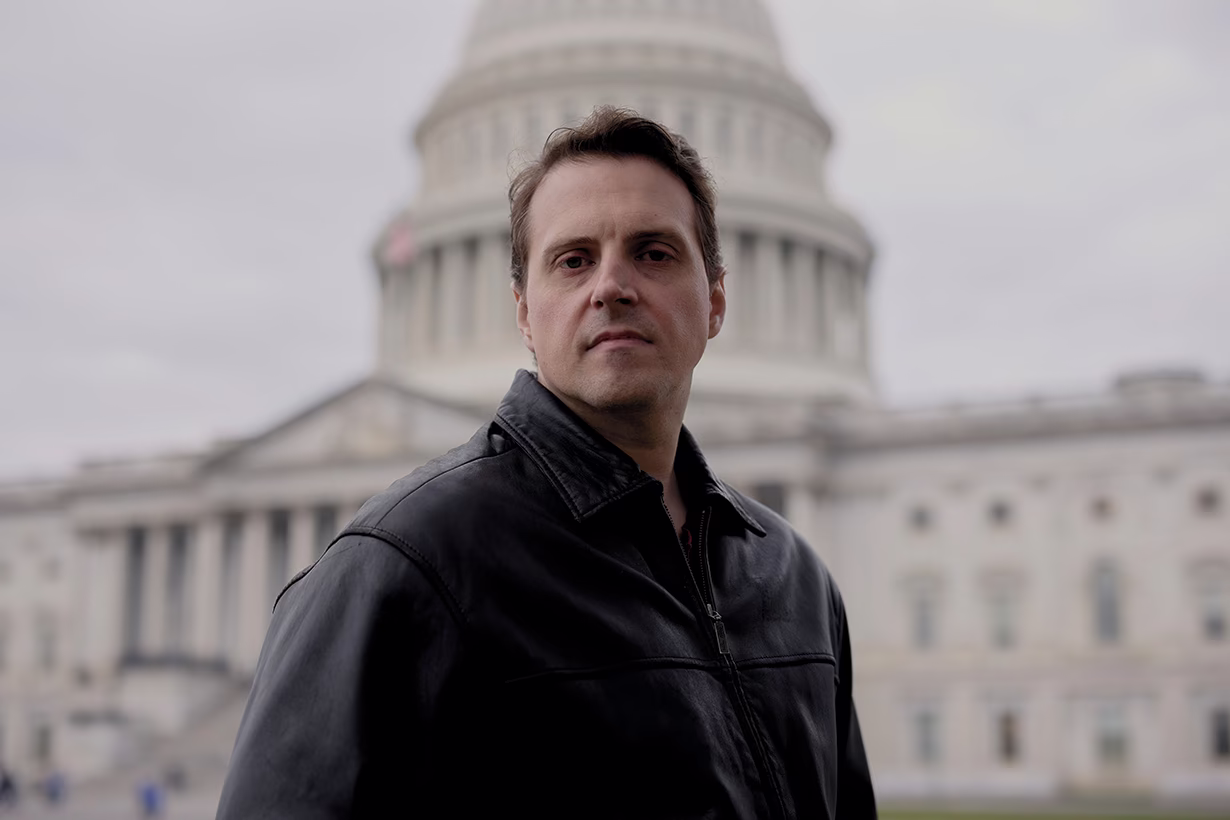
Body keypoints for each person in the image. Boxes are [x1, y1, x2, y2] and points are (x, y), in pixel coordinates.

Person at [217, 107, 876, 819]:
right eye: (574, 259)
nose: (611, 286)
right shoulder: (404, 565)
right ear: (525, 313)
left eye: (653, 252)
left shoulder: (795, 579)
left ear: (715, 301)